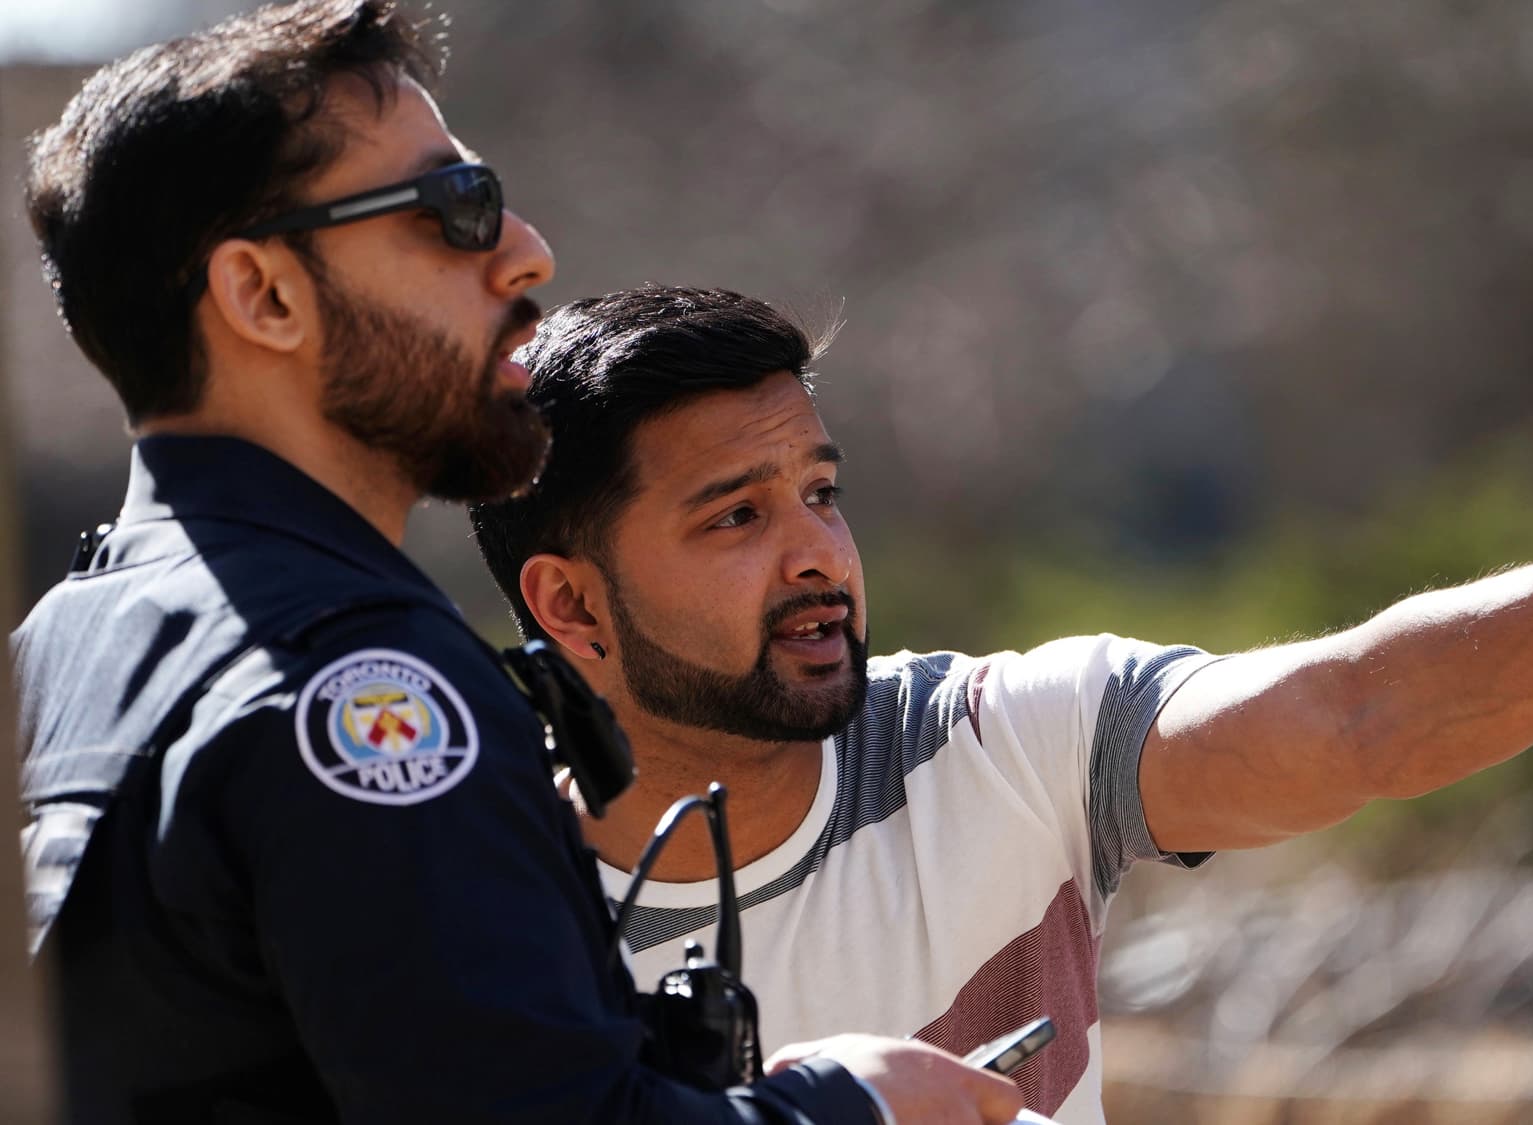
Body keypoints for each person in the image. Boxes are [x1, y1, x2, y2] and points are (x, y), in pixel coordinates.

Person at [468, 284, 1533, 1122]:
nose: (816, 555)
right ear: (571, 605)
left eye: (823, 490)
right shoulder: (452, 902)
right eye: (734, 517)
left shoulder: (999, 739)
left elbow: (1361, 716)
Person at [12, 5, 1023, 1123]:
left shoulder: (57, 648)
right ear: (265, 295)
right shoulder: (366, 685)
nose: (525, 250)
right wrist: (854, 1108)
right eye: (454, 208)